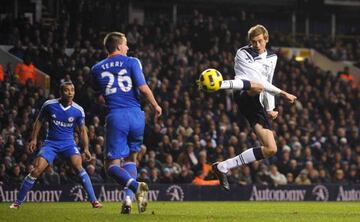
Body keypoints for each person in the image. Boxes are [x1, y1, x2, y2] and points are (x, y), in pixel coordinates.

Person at [212, 24, 297, 191]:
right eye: (253, 42)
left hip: (257, 98)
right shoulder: (243, 53)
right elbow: (259, 83)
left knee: (271, 148)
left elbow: (268, 81)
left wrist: (269, 108)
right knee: (256, 85)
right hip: (243, 93)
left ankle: (222, 166)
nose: (256, 45)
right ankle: (220, 84)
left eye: (259, 41)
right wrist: (283, 94)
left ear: (266, 39)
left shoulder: (272, 57)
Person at [91, 32, 162, 214]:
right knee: (132, 159)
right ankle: (128, 201)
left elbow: (97, 91)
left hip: (117, 115)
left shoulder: (97, 68)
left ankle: (136, 187)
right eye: (126, 44)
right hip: (137, 115)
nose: (128, 47)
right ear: (119, 46)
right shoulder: (133, 62)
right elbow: (143, 88)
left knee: (112, 166)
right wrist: (155, 105)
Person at [10, 81, 102, 209]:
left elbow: (82, 130)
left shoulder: (78, 110)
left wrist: (86, 148)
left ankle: (94, 201)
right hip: (51, 144)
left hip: (68, 144)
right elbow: (39, 122)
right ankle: (17, 203)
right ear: (61, 92)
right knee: (36, 170)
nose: (70, 93)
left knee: (78, 166)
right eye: (67, 90)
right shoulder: (49, 105)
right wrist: (34, 139)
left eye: (72, 90)